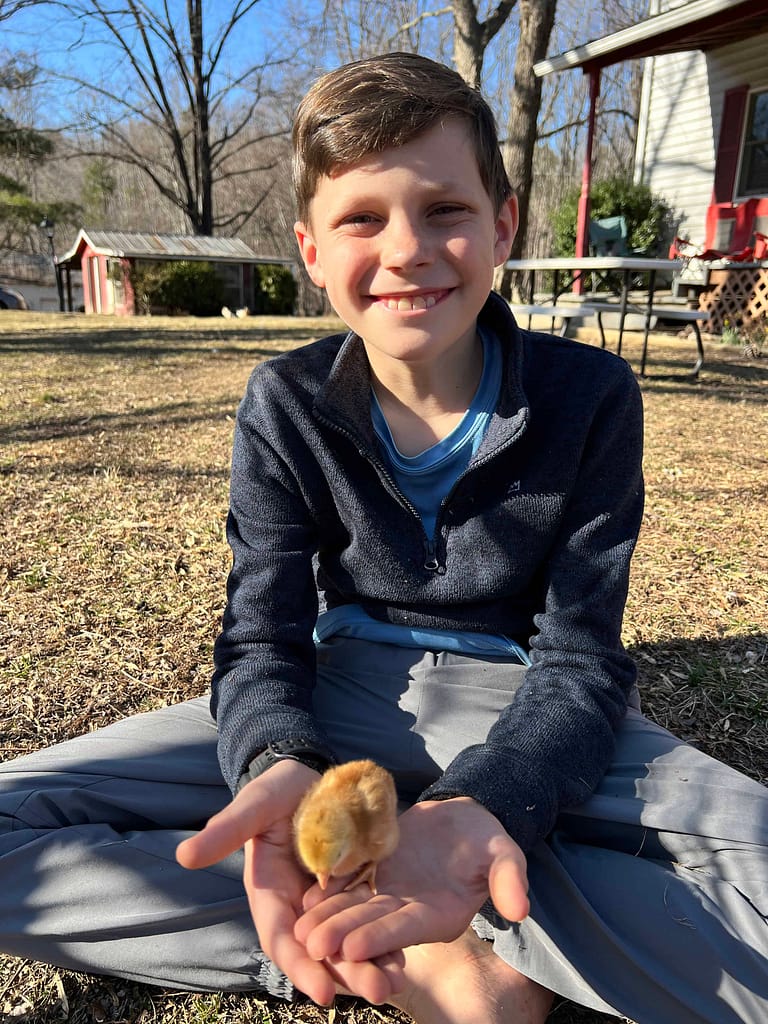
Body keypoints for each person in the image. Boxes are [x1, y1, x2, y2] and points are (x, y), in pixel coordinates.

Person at [1, 51, 766, 1024]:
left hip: (523, 701)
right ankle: (391, 950)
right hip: (337, 685)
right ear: (311, 251)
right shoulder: (285, 404)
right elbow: (260, 635)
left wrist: (493, 801)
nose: (406, 248)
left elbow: (581, 656)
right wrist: (278, 762)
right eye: (362, 218)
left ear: (503, 224)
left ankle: (477, 914)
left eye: (444, 208)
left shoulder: (592, 396)